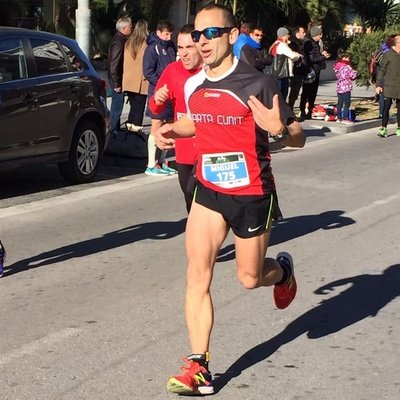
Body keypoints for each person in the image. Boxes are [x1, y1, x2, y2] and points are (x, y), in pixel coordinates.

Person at [155, 3, 305, 395]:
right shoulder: (193, 84)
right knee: (197, 274)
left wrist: (278, 130)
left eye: (211, 33)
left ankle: (282, 272)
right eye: (197, 34)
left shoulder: (258, 83)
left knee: (249, 278)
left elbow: (298, 136)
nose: (202, 42)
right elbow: (196, 119)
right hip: (209, 190)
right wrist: (169, 129)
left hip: (252, 193)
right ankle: (198, 365)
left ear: (232, 35)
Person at [148, 24, 202, 212]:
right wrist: (158, 99)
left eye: (189, 47)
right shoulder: (172, 70)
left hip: (209, 150)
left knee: (206, 202)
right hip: (185, 150)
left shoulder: (211, 72)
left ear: (200, 46)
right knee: (190, 198)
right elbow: (154, 106)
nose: (184, 53)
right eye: (180, 47)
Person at [143, 20, 177, 176]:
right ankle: (151, 164)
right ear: (158, 33)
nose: (168, 37)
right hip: (157, 92)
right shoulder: (152, 49)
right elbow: (148, 71)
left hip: (171, 93)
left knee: (168, 127)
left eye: (170, 34)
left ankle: (162, 161)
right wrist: (161, 84)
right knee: (156, 125)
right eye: (166, 34)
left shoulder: (171, 46)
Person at [122, 19, 149, 133]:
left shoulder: (128, 43)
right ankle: (136, 129)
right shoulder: (146, 44)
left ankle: (129, 126)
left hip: (129, 80)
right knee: (139, 107)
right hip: (141, 81)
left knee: (133, 106)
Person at [107, 17, 133, 136]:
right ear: (124, 28)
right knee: (117, 104)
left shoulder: (120, 39)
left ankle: (115, 127)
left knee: (118, 103)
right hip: (116, 78)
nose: (131, 29)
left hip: (116, 76)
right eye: (130, 27)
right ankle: (113, 129)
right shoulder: (119, 41)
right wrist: (117, 83)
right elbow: (115, 63)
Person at [299, 25, 330, 120]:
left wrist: (321, 54)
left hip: (312, 70)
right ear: (316, 35)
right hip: (311, 71)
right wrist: (323, 57)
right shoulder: (310, 44)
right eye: (320, 34)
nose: (321, 36)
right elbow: (312, 58)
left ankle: (307, 110)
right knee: (309, 92)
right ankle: (305, 111)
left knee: (309, 92)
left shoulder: (314, 43)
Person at [375, 35, 400, 138]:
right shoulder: (388, 55)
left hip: (399, 86)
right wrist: (378, 84)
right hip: (389, 86)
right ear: (396, 43)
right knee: (386, 108)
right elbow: (382, 70)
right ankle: (383, 128)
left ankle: (399, 129)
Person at [268, 27, 301, 100]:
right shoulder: (282, 45)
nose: (288, 36)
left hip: (275, 73)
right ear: (283, 35)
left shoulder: (276, 43)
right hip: (282, 73)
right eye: (287, 35)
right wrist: (299, 55)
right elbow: (292, 55)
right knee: (283, 95)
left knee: (278, 95)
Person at [333, 51, 357, 124]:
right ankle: (345, 118)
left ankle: (339, 117)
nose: (349, 59)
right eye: (348, 58)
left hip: (340, 86)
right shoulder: (347, 67)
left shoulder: (337, 66)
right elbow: (352, 75)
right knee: (347, 103)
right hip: (346, 86)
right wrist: (355, 72)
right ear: (343, 58)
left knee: (340, 103)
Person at [288, 25, 308, 109]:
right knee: (294, 92)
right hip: (295, 71)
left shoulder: (301, 43)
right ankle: (289, 109)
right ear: (297, 33)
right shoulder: (293, 44)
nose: (305, 34)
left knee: (295, 92)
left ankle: (290, 108)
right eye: (303, 32)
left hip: (300, 71)